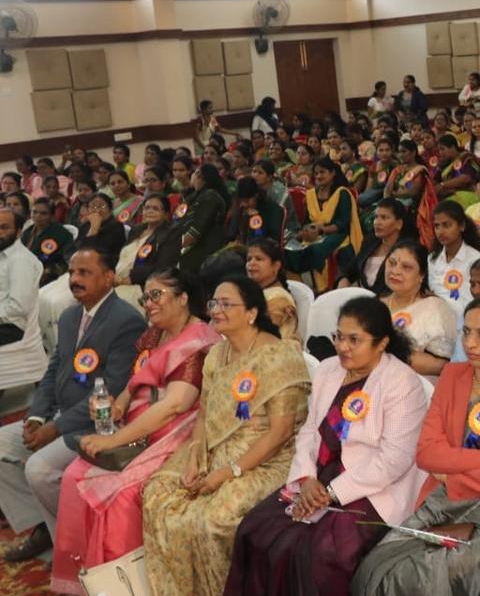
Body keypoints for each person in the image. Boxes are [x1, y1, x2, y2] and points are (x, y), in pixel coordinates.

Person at [225, 297, 427, 596]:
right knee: (254, 529)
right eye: (339, 337)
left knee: (320, 553)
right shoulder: (328, 370)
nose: (342, 347)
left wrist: (331, 492)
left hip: (374, 488)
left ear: (382, 343)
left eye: (354, 340)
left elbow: (394, 460)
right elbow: (310, 430)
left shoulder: (402, 383)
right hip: (319, 476)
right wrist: (307, 479)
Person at [353, 296, 480, 596]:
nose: (470, 343)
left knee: (420, 578)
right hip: (442, 503)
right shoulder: (452, 376)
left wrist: (450, 475)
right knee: (375, 567)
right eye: (466, 332)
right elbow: (427, 453)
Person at [52, 269, 220, 594]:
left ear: (183, 298)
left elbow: (175, 405)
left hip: (176, 433)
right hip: (136, 426)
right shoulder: (155, 333)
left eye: (157, 295)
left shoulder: (198, 343)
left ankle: (127, 586)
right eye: (146, 297)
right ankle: (86, 583)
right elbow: (137, 379)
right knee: (74, 476)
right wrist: (118, 405)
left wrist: (115, 439)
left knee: (120, 498)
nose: (148, 303)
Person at [141, 276, 310, 595]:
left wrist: (227, 472)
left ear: (252, 313)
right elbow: (205, 414)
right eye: (213, 303)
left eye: (226, 304)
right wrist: (195, 455)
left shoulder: (280, 356)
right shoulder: (217, 354)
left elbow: (280, 433)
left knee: (212, 520)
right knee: (157, 494)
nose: (216, 310)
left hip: (266, 458)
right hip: (215, 448)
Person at [0, 243, 146, 562]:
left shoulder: (127, 320)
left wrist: (56, 428)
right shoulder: (69, 316)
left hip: (97, 423)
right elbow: (53, 371)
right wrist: (37, 417)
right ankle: (45, 527)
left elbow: (113, 388)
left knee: (39, 470)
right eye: (71, 272)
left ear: (108, 277)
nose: (74, 279)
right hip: (57, 415)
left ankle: (75, 546)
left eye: (84, 272)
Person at [376, 240, 456, 377]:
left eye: (406, 267)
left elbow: (440, 366)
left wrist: (389, 349)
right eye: (392, 263)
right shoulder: (376, 303)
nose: (395, 271)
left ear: (422, 275)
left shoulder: (434, 308)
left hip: (414, 384)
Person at [286, 157, 363, 291]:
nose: (318, 176)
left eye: (322, 172)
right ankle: (300, 287)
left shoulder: (342, 193)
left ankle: (323, 289)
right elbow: (307, 221)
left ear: (333, 173)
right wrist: (305, 232)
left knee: (317, 250)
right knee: (289, 248)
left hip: (337, 233)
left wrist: (321, 230)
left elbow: (342, 224)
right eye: (316, 173)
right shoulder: (310, 195)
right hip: (314, 232)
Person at [0, 207, 49, 391]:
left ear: (19, 232)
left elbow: (18, 307)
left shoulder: (20, 260)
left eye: (4, 227)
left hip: (12, 326)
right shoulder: (3, 255)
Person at [339, 199, 415, 294]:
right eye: (376, 217)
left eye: (384, 218)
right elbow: (350, 269)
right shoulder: (370, 242)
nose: (377, 223)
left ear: (399, 224)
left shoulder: (408, 251)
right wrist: (343, 281)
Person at [177, 163, 231, 274]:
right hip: (187, 245)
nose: (192, 175)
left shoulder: (210, 197)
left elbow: (195, 231)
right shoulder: (195, 195)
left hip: (202, 249)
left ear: (202, 177)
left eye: (195, 173)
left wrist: (173, 247)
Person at [246, 239, 300, 343]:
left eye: (258, 259)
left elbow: (263, 335)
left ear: (276, 266)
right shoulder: (252, 292)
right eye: (249, 259)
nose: (251, 263)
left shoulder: (279, 298)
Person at [23, 197, 73, 286]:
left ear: (52, 216)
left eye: (43, 213)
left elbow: (48, 257)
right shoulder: (28, 232)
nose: (38, 216)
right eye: (35, 212)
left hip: (49, 275)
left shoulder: (60, 234)